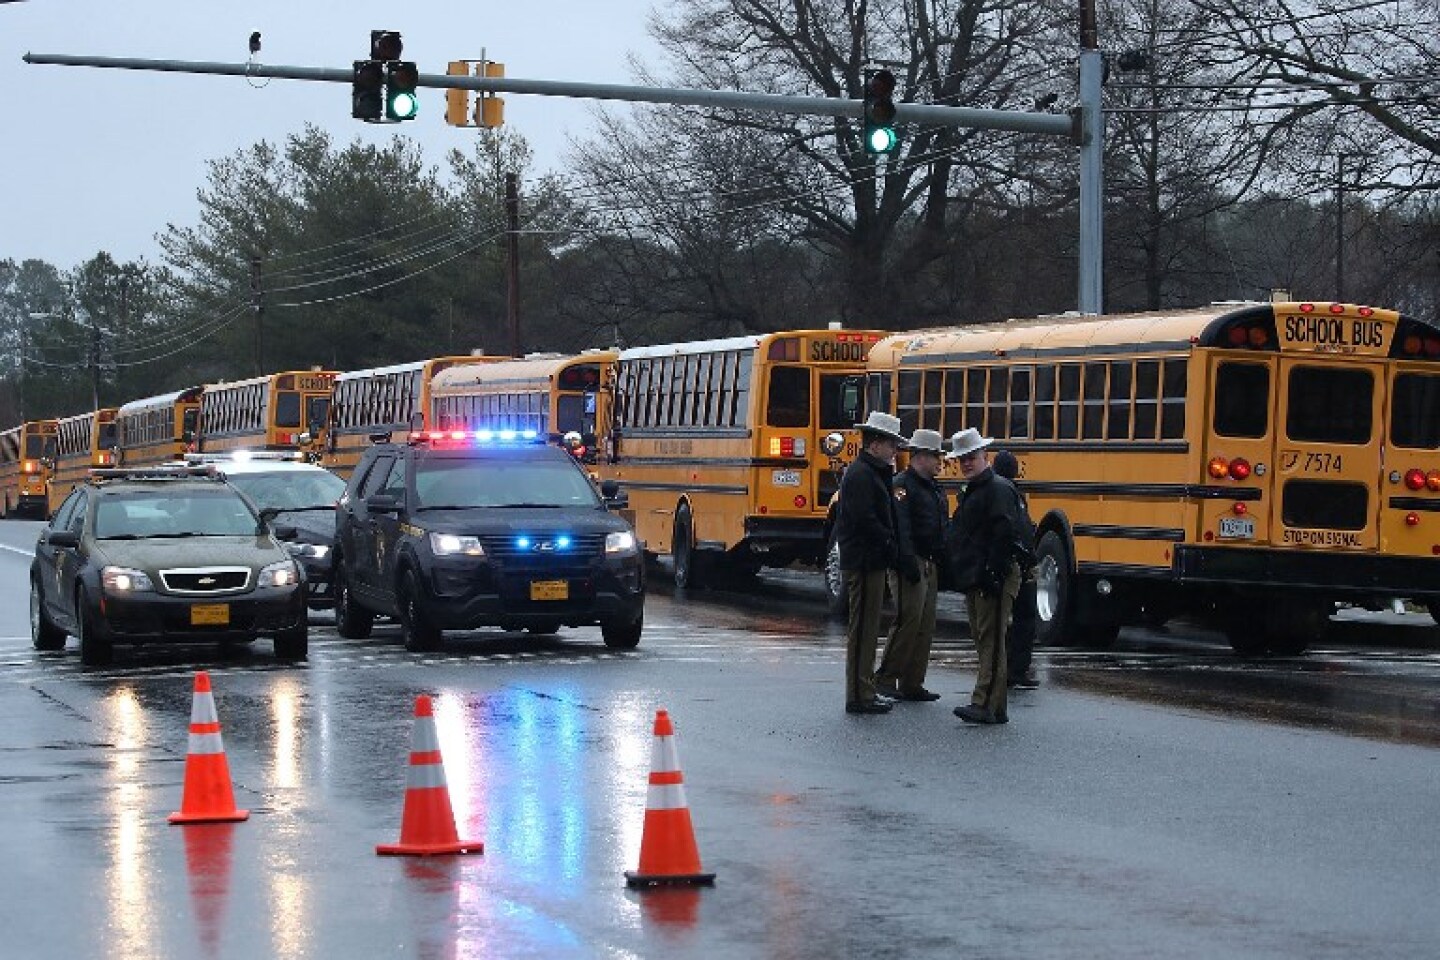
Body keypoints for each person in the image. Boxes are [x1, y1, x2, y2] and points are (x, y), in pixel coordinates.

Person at [944, 428, 1023, 725]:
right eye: (962, 459)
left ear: (985, 457)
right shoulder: (975, 489)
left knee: (990, 641)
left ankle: (984, 703)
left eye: (971, 458)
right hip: (977, 574)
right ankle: (995, 705)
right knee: (985, 639)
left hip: (992, 576)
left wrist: (993, 571)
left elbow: (1005, 533)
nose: (966, 464)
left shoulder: (997, 489)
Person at [835, 411, 906, 715]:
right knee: (862, 628)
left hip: (871, 559)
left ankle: (864, 689)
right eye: (891, 444)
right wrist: (889, 544)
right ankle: (858, 693)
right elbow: (866, 520)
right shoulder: (862, 474)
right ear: (875, 443)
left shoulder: (871, 472)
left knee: (868, 628)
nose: (895, 450)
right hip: (864, 561)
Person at [875, 428, 947, 703]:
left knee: (925, 625)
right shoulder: (902, 485)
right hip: (911, 559)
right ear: (921, 457)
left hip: (929, 560)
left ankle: (912, 681)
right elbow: (901, 526)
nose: (940, 462)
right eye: (935, 456)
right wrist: (906, 561)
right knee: (908, 619)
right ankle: (886, 677)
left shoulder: (933, 486)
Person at [992, 449, 1040, 690]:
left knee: (1016, 617)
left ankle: (1012, 668)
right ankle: (1012, 668)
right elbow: (1016, 529)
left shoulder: (1011, 493)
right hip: (1013, 563)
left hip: (1019, 562)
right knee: (1017, 617)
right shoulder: (1007, 493)